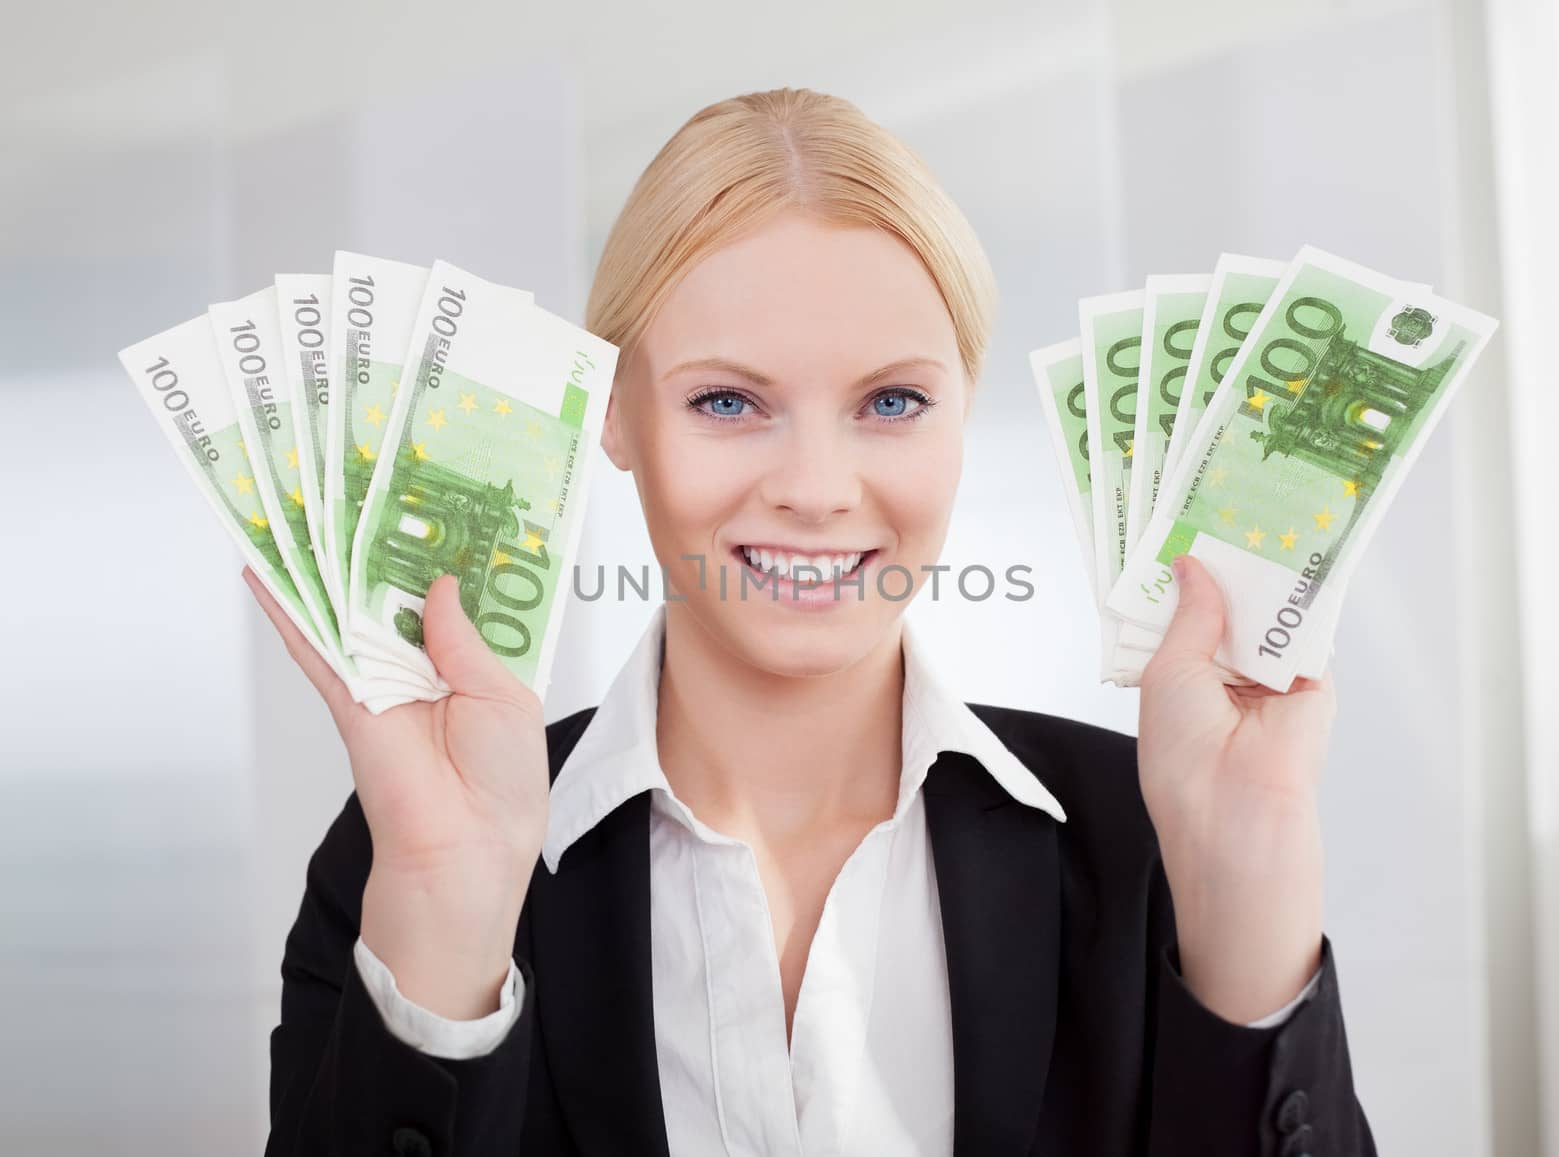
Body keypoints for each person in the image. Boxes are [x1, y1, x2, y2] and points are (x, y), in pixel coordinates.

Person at [255, 88, 1374, 1156]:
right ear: (610, 417)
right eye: (726, 401)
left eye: (892, 401)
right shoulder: (401, 852)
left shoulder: (1145, 845)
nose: (815, 486)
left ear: (962, 413)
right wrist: (447, 932)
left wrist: (1248, 879)